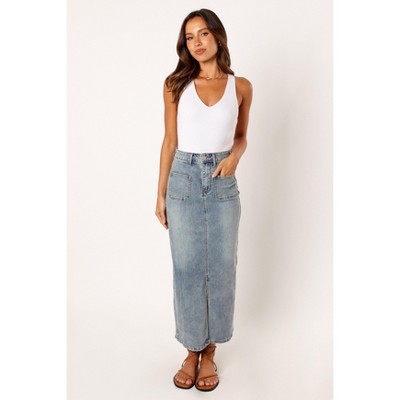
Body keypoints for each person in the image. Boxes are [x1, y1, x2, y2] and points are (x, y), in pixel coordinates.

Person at [155, 8, 253, 392]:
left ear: (217, 36)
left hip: (222, 182)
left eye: (203, 34)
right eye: (189, 37)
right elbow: (170, 141)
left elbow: (241, 137)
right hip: (183, 178)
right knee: (187, 268)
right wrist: (160, 193)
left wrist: (234, 157)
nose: (196, 43)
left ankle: (211, 349)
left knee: (222, 266)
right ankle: (191, 348)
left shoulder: (240, 86)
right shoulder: (174, 84)